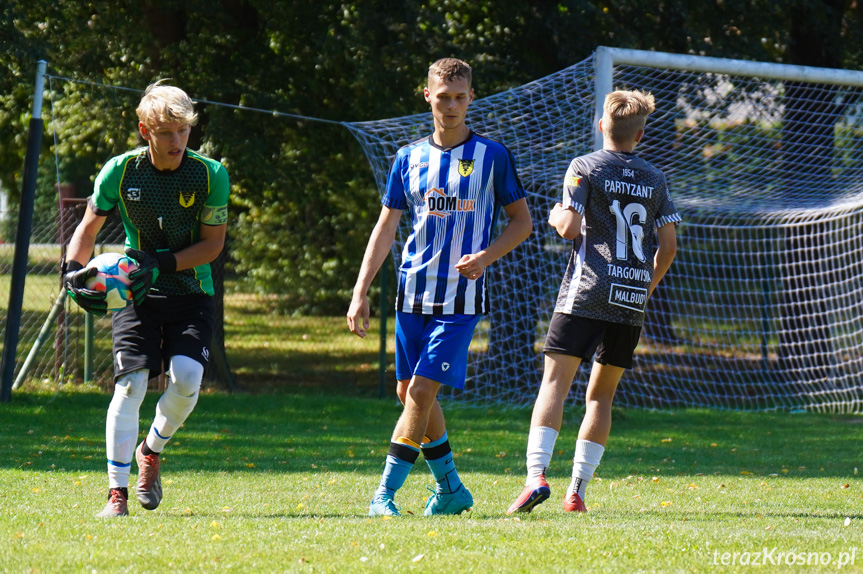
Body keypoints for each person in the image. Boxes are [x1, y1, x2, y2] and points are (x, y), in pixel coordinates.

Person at [347, 58, 532, 517]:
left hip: (461, 299)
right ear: (426, 95)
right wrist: (360, 290)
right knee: (407, 391)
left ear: (471, 98)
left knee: (422, 395)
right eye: (443, 96)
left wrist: (486, 256)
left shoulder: (493, 156)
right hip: (411, 293)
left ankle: (382, 496)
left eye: (460, 97)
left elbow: (522, 223)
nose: (451, 105)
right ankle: (451, 489)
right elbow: (385, 227)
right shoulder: (407, 158)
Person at [506, 90, 679, 515]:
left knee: (554, 386)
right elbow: (669, 246)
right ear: (640, 134)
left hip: (585, 292)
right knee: (601, 398)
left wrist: (551, 212)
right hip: (630, 298)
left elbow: (567, 229)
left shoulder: (584, 167)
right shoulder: (655, 178)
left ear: (602, 125)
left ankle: (535, 477)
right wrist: (645, 288)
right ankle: (577, 491)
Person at [62, 81, 230, 518]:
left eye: (183, 132)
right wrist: (70, 272)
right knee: (132, 384)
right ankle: (116, 495)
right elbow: (87, 229)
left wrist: (161, 263)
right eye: (166, 133)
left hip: (192, 292)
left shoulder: (210, 174)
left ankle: (150, 450)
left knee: (188, 379)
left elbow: (212, 247)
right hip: (135, 293)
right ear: (144, 130)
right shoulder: (119, 171)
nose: (176, 141)